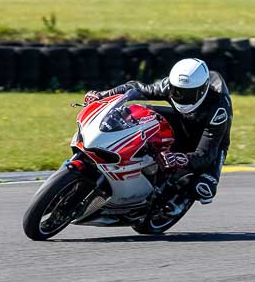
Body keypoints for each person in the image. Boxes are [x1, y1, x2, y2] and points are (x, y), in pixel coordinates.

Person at [84, 58, 232, 206]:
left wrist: (182, 159)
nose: (181, 97)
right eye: (177, 92)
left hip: (211, 139)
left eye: (188, 94)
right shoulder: (169, 85)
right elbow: (135, 88)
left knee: (204, 188)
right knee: (135, 112)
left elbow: (206, 153)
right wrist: (104, 95)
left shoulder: (218, 108)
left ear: (203, 89)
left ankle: (171, 201)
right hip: (182, 120)